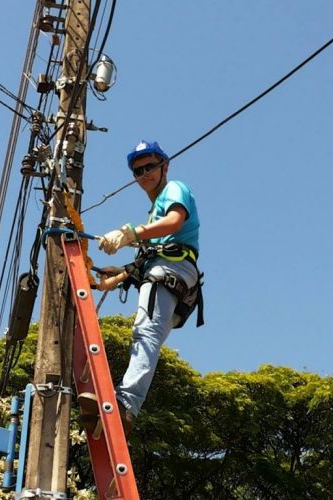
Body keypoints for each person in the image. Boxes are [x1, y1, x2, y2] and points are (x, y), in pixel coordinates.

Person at [97, 140, 203, 436]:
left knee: (145, 332)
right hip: (169, 277)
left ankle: (126, 406)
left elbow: (174, 222)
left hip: (172, 272)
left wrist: (131, 234)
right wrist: (116, 277)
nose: (144, 174)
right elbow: (144, 262)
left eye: (149, 167)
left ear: (164, 165)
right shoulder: (153, 212)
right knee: (147, 335)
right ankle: (124, 408)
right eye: (137, 171)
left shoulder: (174, 190)